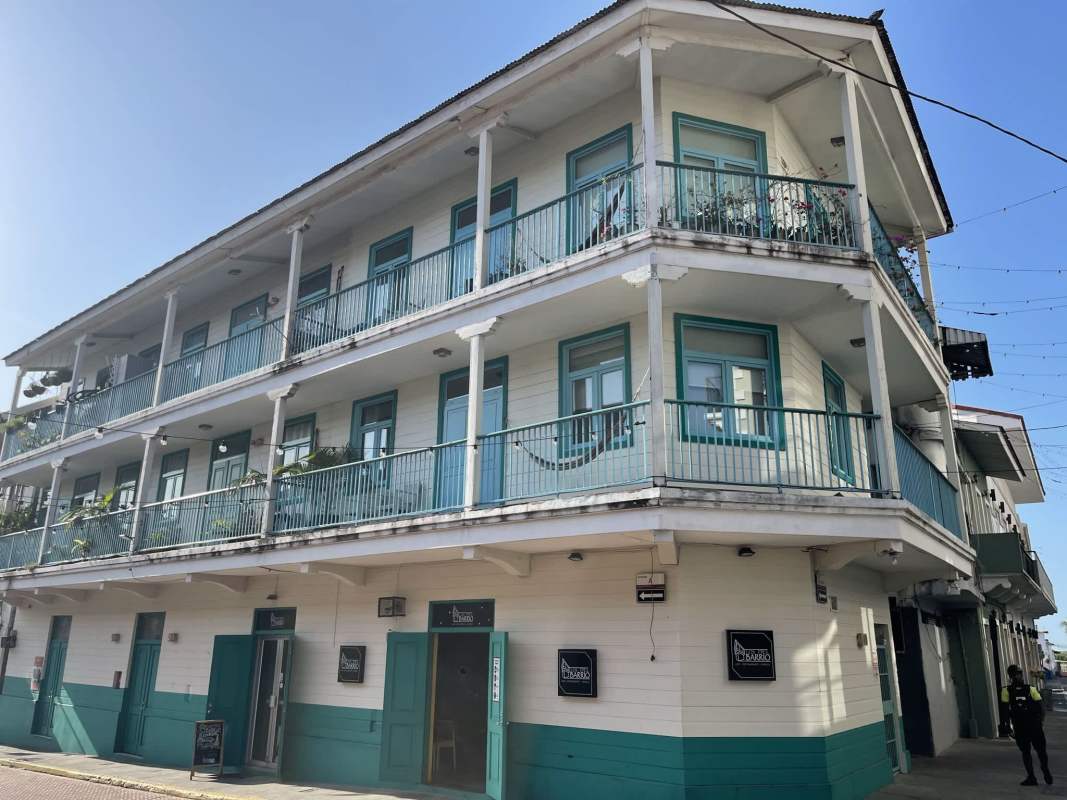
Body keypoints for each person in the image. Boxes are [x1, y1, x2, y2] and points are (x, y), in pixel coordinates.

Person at [1002, 664, 1053, 786]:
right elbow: (1041, 707)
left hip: (1020, 727)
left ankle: (1031, 777)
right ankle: (1045, 770)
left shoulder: (1006, 690)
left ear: (1009, 676)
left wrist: (1008, 727)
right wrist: (1040, 722)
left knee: (1026, 752)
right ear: (1021, 674)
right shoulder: (1031, 689)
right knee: (1041, 751)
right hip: (1034, 725)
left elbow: (1004, 711)